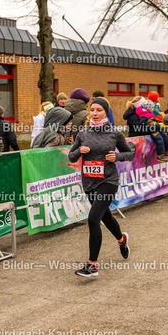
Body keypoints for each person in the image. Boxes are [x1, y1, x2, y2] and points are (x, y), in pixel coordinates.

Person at [68, 98, 135, 277]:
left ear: (106, 112)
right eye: (92, 110)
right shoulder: (83, 133)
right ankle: (121, 239)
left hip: (108, 181)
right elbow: (71, 156)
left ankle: (92, 265)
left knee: (93, 219)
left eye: (99, 110)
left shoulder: (114, 133)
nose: (95, 113)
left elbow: (129, 153)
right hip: (89, 182)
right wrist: (79, 151)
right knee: (106, 217)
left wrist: (117, 157)